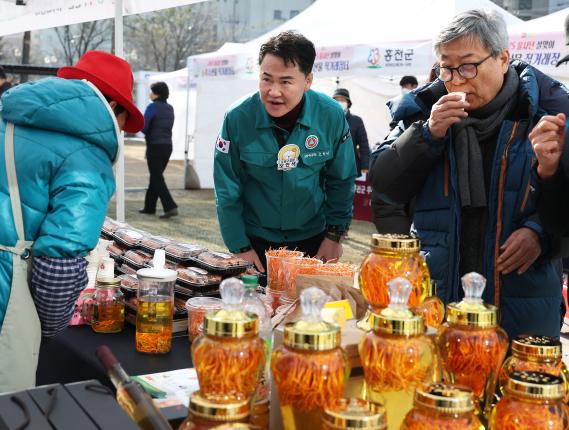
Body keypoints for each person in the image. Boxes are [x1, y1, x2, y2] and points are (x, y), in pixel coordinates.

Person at [369, 9, 566, 339]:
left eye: (468, 66)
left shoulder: (543, 115)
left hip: (520, 300)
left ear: (503, 58)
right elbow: (383, 181)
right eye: (447, 67)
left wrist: (540, 233)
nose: (456, 79)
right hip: (439, 292)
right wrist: (427, 134)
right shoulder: (424, 109)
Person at [0, 50, 144, 391]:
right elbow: (59, 263)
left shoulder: (10, 118)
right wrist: (44, 328)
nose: (122, 131)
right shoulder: (88, 157)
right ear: (113, 108)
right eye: (124, 121)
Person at [214, 31, 356, 272]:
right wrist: (239, 247)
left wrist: (334, 235)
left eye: (286, 81)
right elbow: (227, 189)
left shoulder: (330, 116)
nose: (273, 91)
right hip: (255, 242)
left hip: (314, 238)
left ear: (308, 81)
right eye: (266, 79)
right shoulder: (238, 118)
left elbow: (341, 180)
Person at [139, 81, 178, 219]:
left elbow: (144, 127)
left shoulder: (152, 107)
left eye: (151, 91)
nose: (150, 93)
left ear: (156, 93)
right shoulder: (170, 108)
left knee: (156, 177)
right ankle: (149, 207)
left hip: (155, 146)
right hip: (168, 146)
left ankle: (170, 206)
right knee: (156, 176)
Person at [332, 88, 370, 177]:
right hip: (329, 164)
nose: (339, 102)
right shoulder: (328, 119)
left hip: (350, 164)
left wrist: (365, 165)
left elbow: (363, 144)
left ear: (348, 102)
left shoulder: (356, 120)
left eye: (342, 100)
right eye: (336, 100)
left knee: (347, 189)